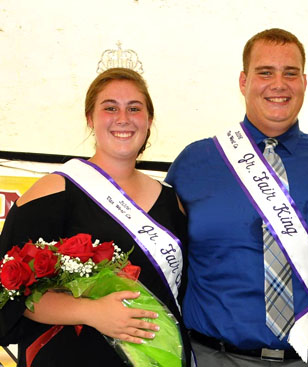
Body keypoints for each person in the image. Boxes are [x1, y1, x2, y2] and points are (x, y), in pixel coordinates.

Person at [166, 28, 308, 366]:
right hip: (216, 356)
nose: (279, 83)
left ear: (304, 82)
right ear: (243, 82)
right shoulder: (194, 161)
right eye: (265, 72)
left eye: (290, 73)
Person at [0, 68, 188, 367]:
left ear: (149, 120)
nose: (123, 118)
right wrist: (91, 312)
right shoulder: (51, 194)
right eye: (110, 107)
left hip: (158, 358)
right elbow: (10, 294)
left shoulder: (170, 202)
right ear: (90, 118)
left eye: (134, 108)